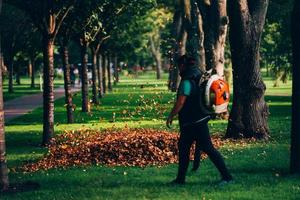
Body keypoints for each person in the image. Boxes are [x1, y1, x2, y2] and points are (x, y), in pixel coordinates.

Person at [166, 55, 233, 185]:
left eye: (179, 65)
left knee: (208, 149)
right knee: (184, 149)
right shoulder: (200, 75)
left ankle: (228, 177)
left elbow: (180, 102)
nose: (179, 68)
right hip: (198, 120)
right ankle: (180, 180)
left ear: (183, 66)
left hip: (192, 123)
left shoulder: (186, 81)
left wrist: (171, 115)